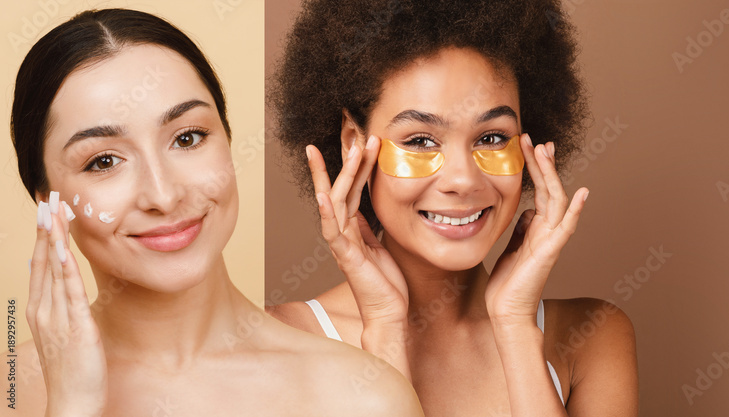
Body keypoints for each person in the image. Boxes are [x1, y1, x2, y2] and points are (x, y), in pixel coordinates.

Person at [9, 9, 421, 416]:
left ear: (226, 137)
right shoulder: (12, 392)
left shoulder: (363, 395)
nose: (164, 196)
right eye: (103, 162)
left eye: (188, 138)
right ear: (46, 198)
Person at [267, 0, 639, 415]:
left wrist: (515, 328)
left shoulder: (590, 337)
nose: (463, 180)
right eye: (421, 141)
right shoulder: (281, 341)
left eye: (492, 138)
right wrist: (385, 330)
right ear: (355, 142)